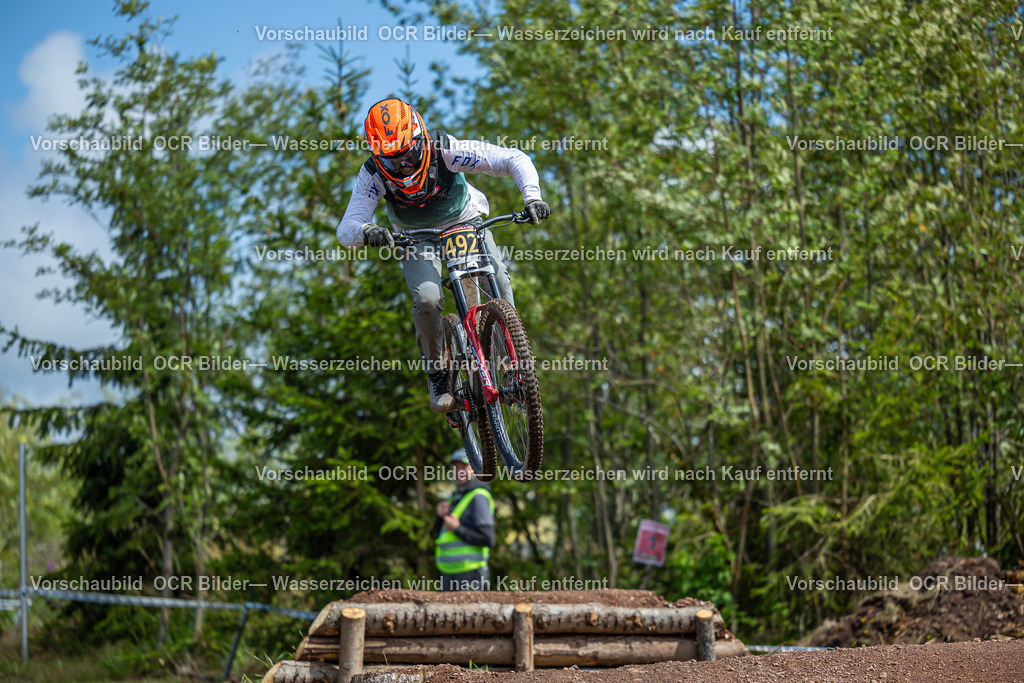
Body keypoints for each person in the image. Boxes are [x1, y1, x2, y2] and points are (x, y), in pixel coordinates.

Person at [336, 97, 551, 412]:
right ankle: (437, 372)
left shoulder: (446, 150)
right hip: (415, 237)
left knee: (499, 283)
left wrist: (532, 197)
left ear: (421, 139)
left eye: (409, 154)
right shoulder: (373, 174)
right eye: (393, 161)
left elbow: (512, 159)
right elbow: (347, 227)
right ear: (377, 156)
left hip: (465, 221)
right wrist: (367, 231)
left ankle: (510, 363)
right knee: (427, 299)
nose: (404, 166)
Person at [433, 448, 495, 591]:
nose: (459, 471)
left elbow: (488, 539)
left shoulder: (479, 496)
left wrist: (457, 529)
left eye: (464, 466)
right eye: (455, 467)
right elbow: (441, 535)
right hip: (449, 573)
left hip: (471, 574)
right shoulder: (455, 497)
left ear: (474, 468)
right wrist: (439, 517)